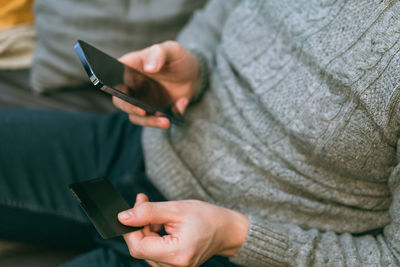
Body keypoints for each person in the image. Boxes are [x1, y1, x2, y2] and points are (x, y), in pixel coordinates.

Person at [1, 0, 400, 266]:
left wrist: (234, 237)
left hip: (239, 243)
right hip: (143, 145)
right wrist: (194, 65)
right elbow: (220, 13)